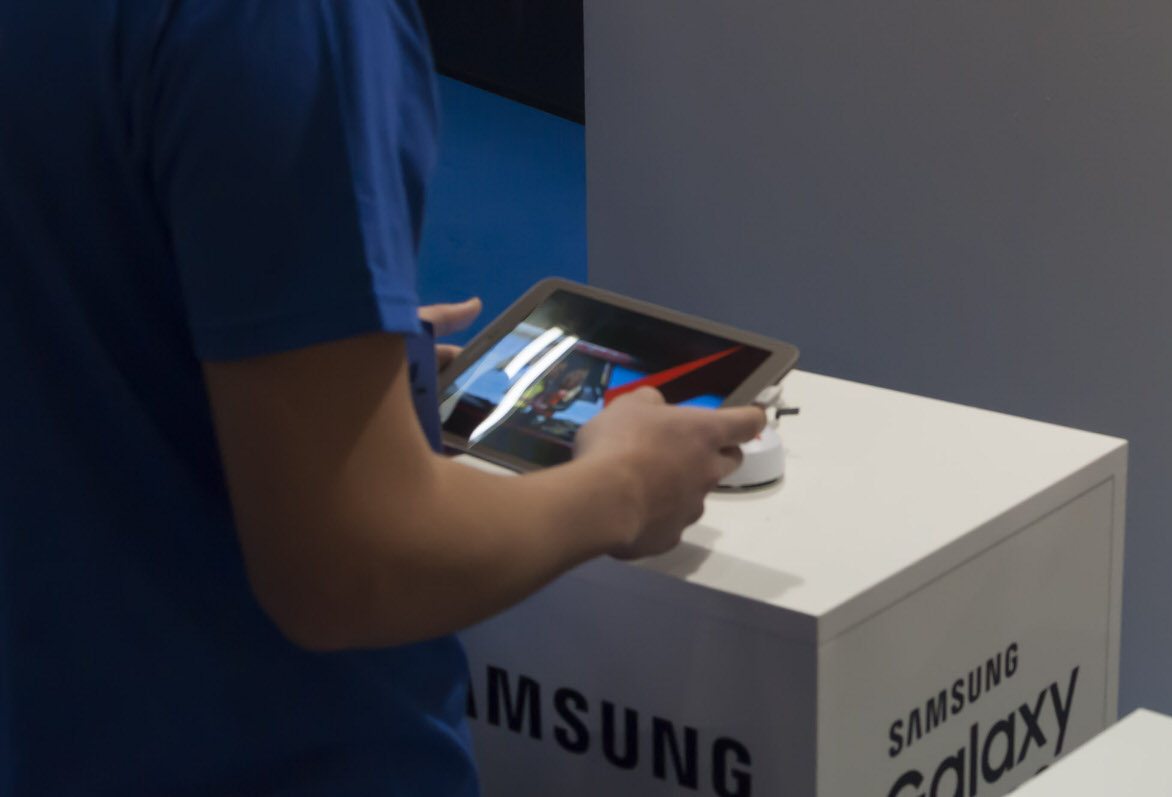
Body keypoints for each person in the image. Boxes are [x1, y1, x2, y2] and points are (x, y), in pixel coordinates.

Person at [0, 1, 765, 794]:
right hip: (286, 753)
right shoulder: (296, 22)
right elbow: (349, 565)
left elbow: (87, 286)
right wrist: (627, 486)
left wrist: (325, 361)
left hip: (75, 732)